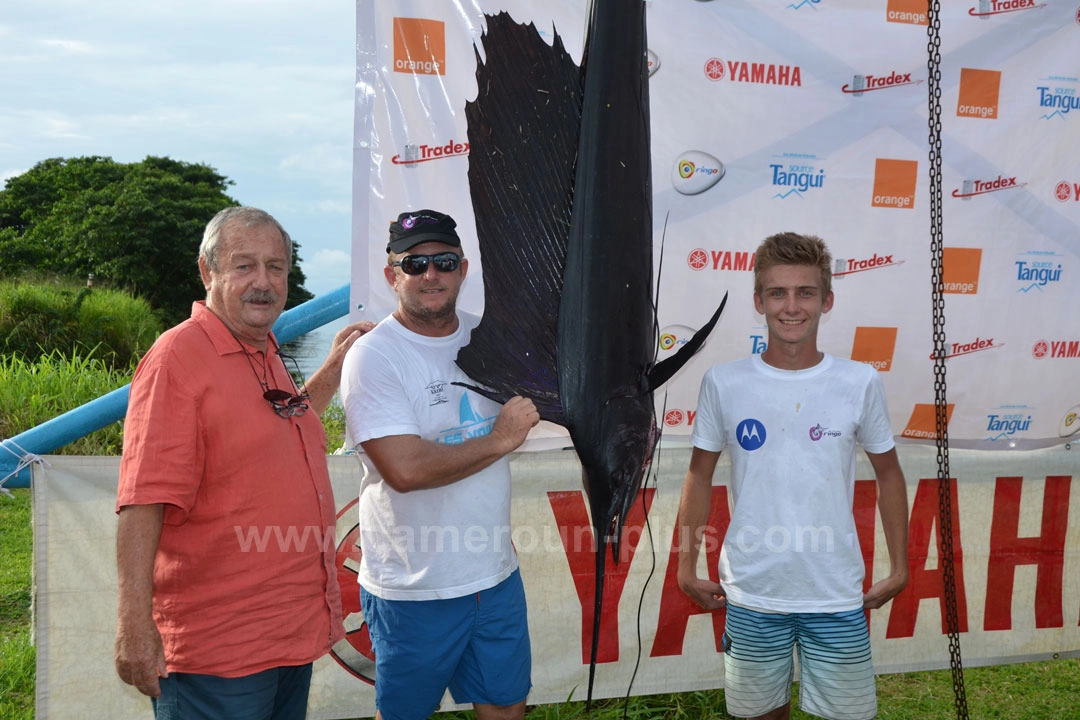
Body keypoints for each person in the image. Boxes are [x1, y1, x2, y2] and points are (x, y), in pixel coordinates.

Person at [114, 205, 373, 719]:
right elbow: (143, 500)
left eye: (276, 267)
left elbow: (280, 424)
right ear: (208, 272)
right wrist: (133, 624)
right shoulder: (178, 358)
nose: (263, 282)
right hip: (220, 651)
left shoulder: (262, 347)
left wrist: (331, 370)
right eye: (244, 266)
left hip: (287, 635)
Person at [676, 232, 909, 720]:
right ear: (758, 300)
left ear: (827, 300)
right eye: (778, 293)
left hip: (835, 592)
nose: (791, 306)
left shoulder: (859, 381)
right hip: (753, 591)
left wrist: (900, 567)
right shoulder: (724, 381)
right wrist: (685, 565)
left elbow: (889, 476)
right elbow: (699, 477)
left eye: (805, 292)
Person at [339, 208, 539, 720]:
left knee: (507, 709)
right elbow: (404, 471)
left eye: (444, 262)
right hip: (413, 591)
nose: (431, 275)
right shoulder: (374, 355)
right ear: (391, 275)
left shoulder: (491, 340)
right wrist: (498, 441)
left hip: (494, 579)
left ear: (463, 269)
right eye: (415, 264)